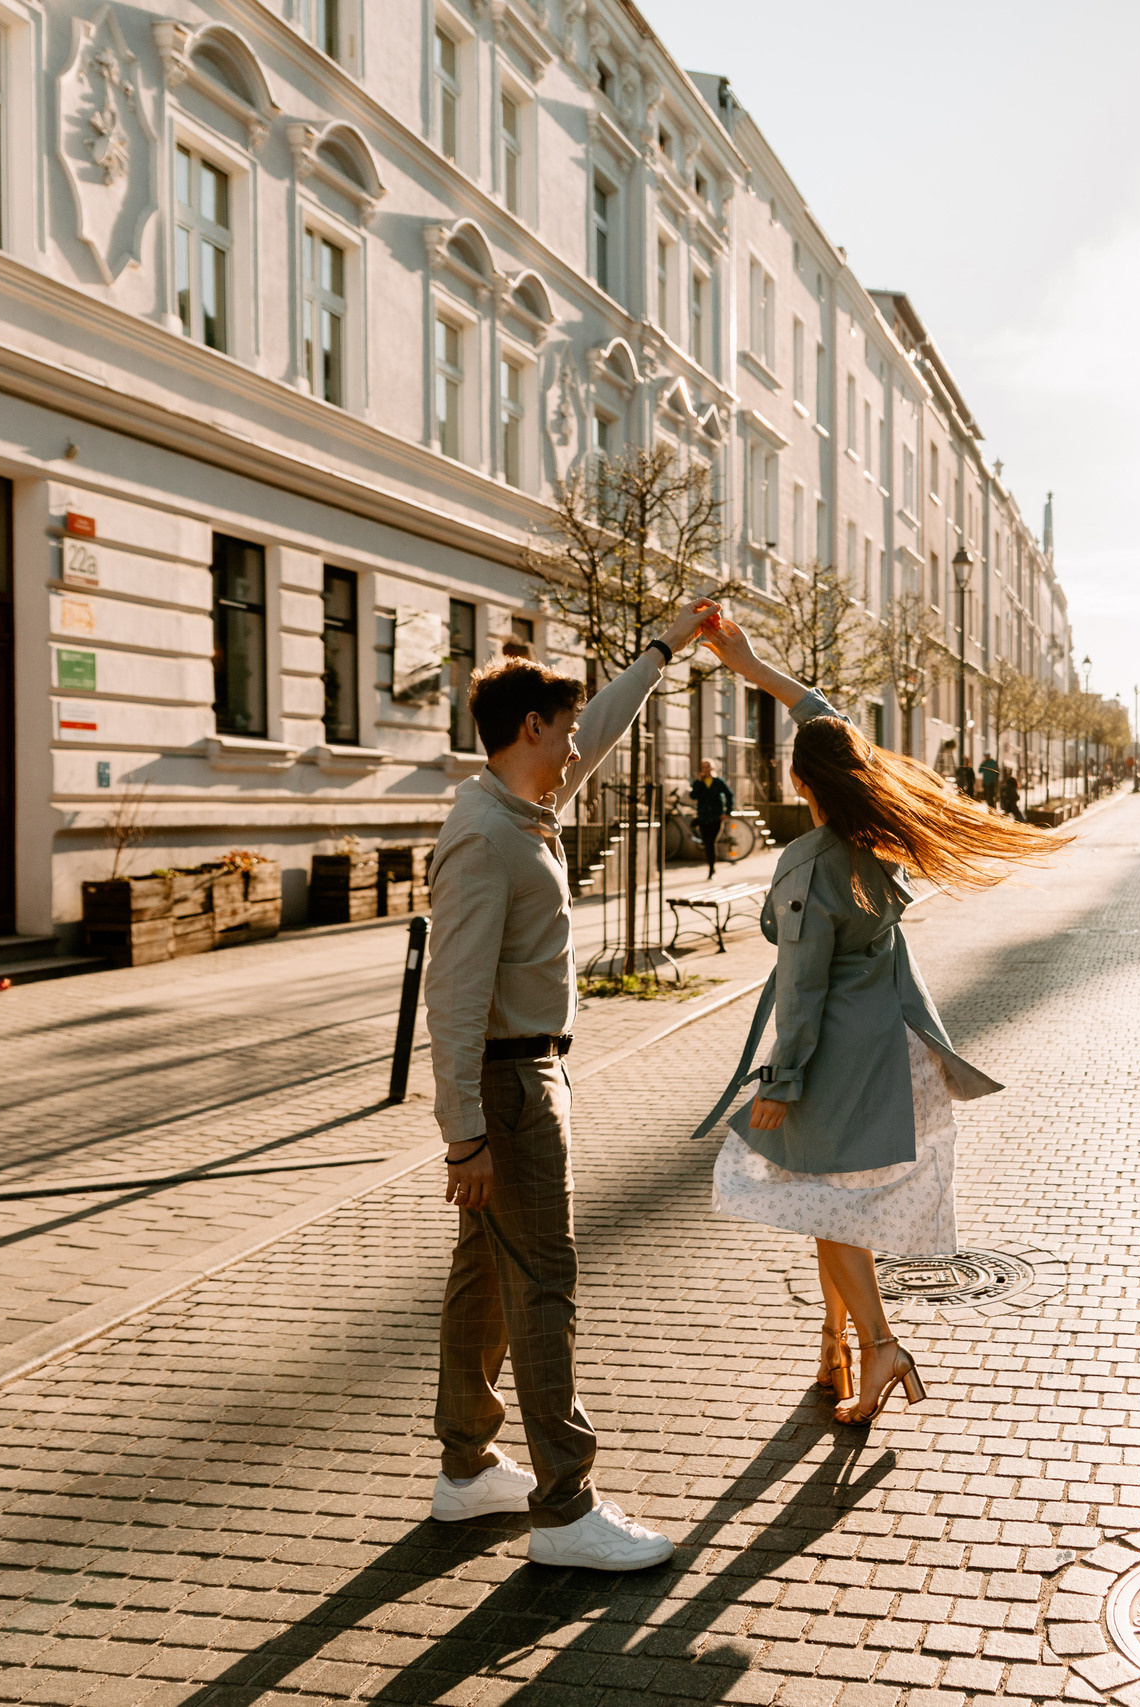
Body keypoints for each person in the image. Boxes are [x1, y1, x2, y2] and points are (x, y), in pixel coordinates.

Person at [692, 618, 1065, 1425]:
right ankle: (832, 1344)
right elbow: (828, 722)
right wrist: (754, 666)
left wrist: (781, 1082)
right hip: (902, 1047)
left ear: (800, 784)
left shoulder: (809, 863)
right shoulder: (878, 833)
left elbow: (801, 991)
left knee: (823, 1205)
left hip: (843, 1057)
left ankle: (879, 1344)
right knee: (828, 1204)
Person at [421, 598, 717, 1571]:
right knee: (542, 1283)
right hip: (511, 1085)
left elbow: (611, 721)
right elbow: (452, 998)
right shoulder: (485, 837)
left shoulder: (526, 805)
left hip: (527, 1073)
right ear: (530, 729)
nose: (579, 742)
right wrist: (462, 1134)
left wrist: (662, 646)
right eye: (565, 726)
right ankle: (565, 1508)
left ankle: (466, 1473)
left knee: (485, 1282)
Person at [690, 759, 734, 879]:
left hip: (716, 817)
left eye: (708, 767)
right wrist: (698, 782)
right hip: (703, 817)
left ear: (712, 768)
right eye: (704, 767)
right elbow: (693, 796)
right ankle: (711, 867)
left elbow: (729, 795)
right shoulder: (699, 782)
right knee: (707, 843)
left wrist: (727, 812)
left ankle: (711, 868)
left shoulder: (718, 782)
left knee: (711, 842)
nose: (706, 769)